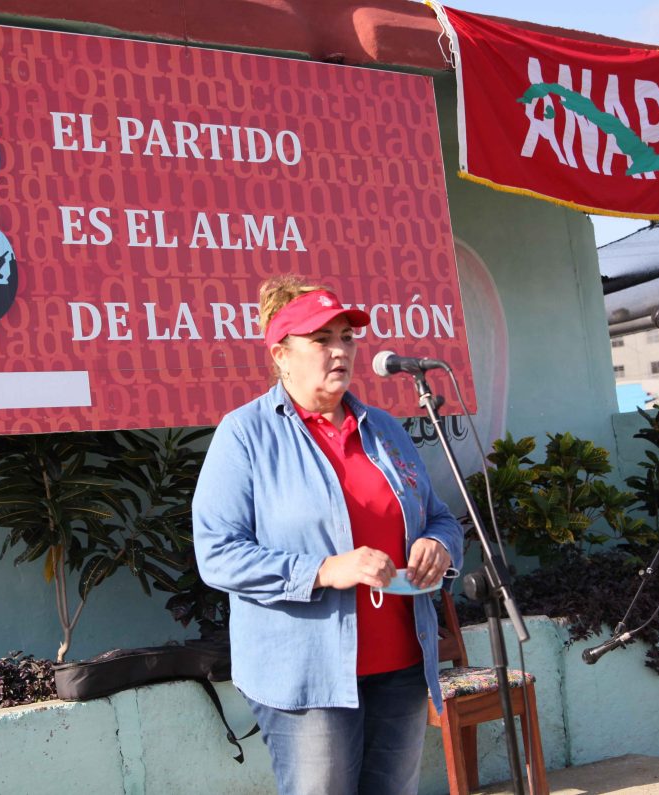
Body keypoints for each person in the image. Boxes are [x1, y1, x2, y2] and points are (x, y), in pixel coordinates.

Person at [193, 276, 464, 795]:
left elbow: (440, 517)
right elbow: (217, 553)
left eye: (347, 337)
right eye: (321, 339)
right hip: (307, 680)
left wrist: (439, 544)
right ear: (282, 354)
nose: (340, 351)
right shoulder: (245, 434)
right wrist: (322, 569)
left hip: (402, 665)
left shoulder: (384, 428)